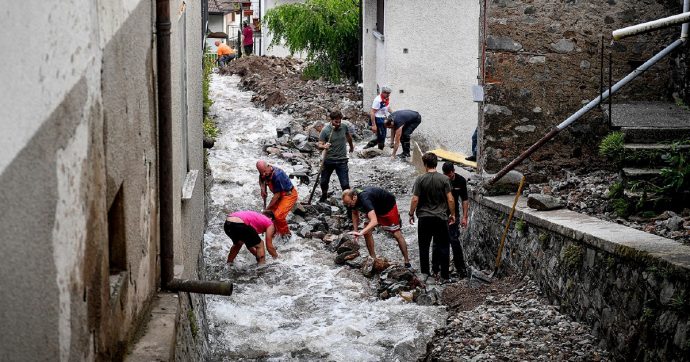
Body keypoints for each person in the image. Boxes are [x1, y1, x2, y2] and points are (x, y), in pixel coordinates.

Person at [408, 152, 456, 283]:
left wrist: (411, 213)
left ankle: (425, 273)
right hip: (441, 218)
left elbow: (415, 199)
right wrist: (452, 214)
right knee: (443, 246)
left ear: (425, 164)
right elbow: (450, 199)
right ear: (436, 164)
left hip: (424, 218)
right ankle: (445, 275)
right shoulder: (444, 179)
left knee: (424, 246)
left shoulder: (420, 179)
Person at [342, 187, 411, 267]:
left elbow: (374, 221)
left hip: (387, 207)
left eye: (349, 203)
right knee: (367, 232)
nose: (348, 206)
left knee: (396, 234)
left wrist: (361, 232)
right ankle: (373, 258)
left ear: (354, 197)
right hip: (373, 208)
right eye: (346, 204)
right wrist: (356, 231)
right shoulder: (352, 201)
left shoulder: (365, 200)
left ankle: (407, 261)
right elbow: (354, 213)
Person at [317, 110, 354, 202]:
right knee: (324, 181)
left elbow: (348, 137)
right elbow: (319, 144)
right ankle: (324, 195)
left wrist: (351, 146)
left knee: (345, 184)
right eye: (336, 122)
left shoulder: (344, 127)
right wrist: (323, 146)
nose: (338, 124)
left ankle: (349, 204)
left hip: (342, 160)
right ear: (331, 120)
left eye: (339, 121)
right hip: (328, 160)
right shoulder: (325, 130)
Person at [256, 160, 298, 237]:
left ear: (268, 166)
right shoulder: (264, 173)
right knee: (270, 215)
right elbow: (261, 179)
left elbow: (276, 196)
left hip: (288, 195)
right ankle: (275, 232)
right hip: (279, 195)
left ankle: (286, 235)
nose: (264, 174)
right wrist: (262, 190)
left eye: (265, 172)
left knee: (278, 216)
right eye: (262, 173)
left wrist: (268, 208)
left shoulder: (278, 175)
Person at [442, 162, 469, 277]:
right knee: (442, 241)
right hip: (442, 214)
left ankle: (460, 267)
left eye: (450, 175)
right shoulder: (441, 181)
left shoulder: (460, 180)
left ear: (453, 171)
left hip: (454, 214)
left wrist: (464, 217)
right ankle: (442, 267)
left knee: (454, 240)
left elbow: (465, 200)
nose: (448, 177)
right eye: (446, 175)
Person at [367, 86, 392, 150]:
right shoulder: (378, 100)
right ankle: (369, 147)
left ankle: (380, 150)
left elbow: (388, 108)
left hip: (383, 118)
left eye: (389, 93)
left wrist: (394, 114)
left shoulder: (386, 99)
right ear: (383, 92)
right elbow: (372, 112)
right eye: (387, 93)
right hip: (378, 119)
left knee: (383, 136)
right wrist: (374, 125)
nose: (389, 95)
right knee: (381, 136)